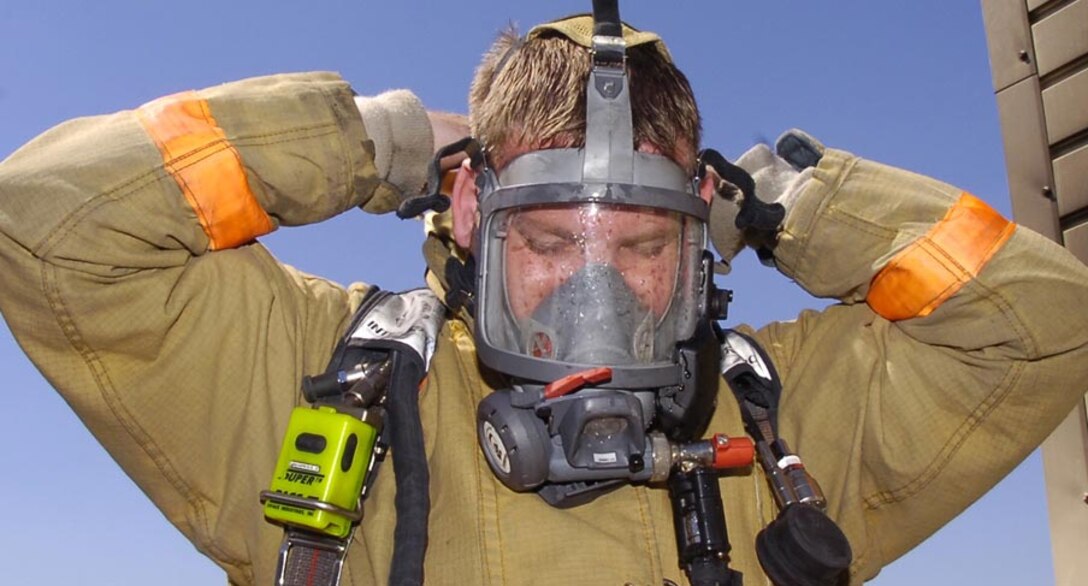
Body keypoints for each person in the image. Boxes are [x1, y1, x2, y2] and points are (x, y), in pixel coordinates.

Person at [1, 12, 1086, 586]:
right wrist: (374, 143)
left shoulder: (783, 416)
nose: (594, 289)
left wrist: (783, 204)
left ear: (695, 234)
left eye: (644, 241)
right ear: (471, 215)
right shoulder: (321, 379)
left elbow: (1039, 325)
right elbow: (44, 226)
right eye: (553, 236)